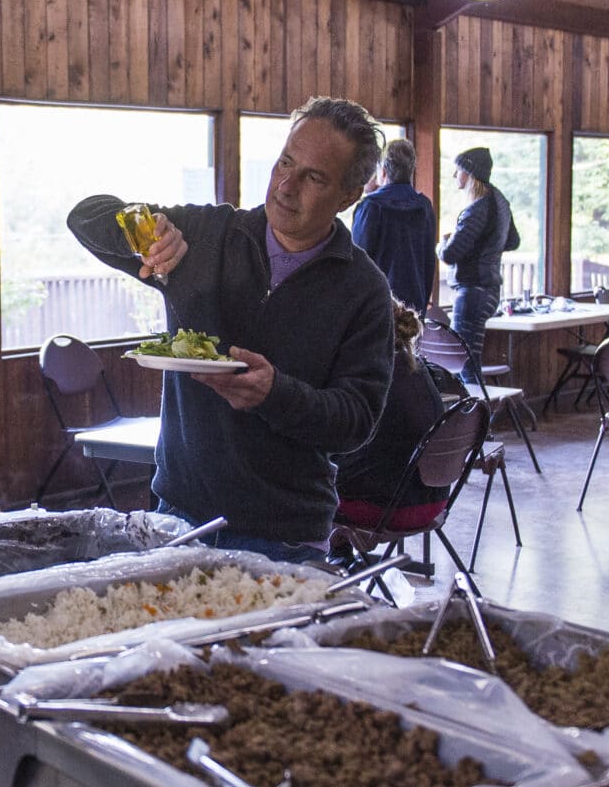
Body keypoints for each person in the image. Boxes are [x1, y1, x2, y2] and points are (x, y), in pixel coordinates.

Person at [66, 96, 394, 562]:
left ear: (349, 196)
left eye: (313, 177)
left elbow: (357, 421)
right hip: (178, 517)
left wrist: (275, 395)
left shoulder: (363, 289)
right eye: (285, 162)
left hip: (284, 534)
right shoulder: (207, 234)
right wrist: (146, 235)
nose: (285, 184)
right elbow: (85, 213)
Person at [332, 301, 467, 544]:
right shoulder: (417, 369)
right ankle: (341, 556)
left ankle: (316, 565)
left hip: (389, 509)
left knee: (307, 482)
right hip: (433, 501)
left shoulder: (376, 376)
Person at [439, 146, 515, 380]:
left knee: (463, 363)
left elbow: (449, 255)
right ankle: (480, 414)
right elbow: (513, 241)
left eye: (458, 170)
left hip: (472, 292)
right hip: (490, 290)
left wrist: (442, 243)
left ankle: (475, 415)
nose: (454, 176)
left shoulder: (477, 210)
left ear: (471, 173)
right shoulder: (499, 201)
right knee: (470, 361)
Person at [350, 138, 436, 311]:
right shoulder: (424, 206)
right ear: (411, 170)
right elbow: (429, 261)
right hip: (414, 302)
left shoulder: (371, 206)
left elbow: (358, 261)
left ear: (382, 171)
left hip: (376, 302)